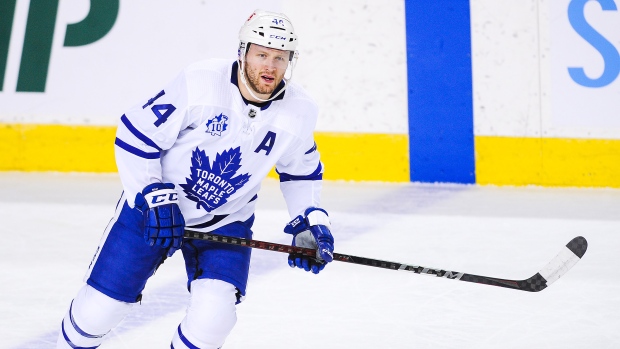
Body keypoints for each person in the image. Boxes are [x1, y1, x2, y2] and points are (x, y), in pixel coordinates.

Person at [56, 9, 335, 349]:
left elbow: (301, 170)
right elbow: (135, 135)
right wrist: (152, 194)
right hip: (153, 211)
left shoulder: (300, 110)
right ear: (243, 51)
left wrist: (308, 219)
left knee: (214, 319)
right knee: (99, 312)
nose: (270, 67)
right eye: (261, 54)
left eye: (280, 58)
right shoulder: (201, 81)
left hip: (225, 223)